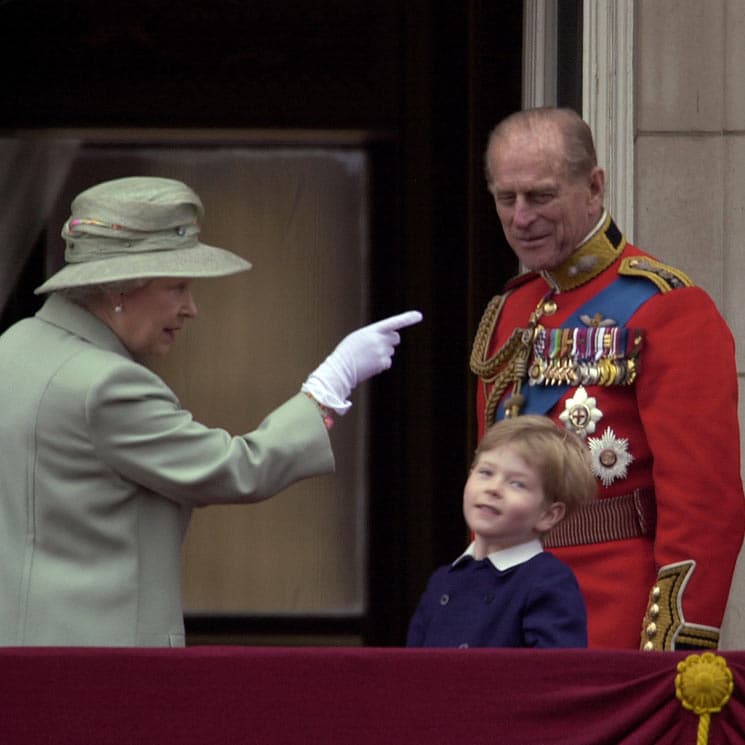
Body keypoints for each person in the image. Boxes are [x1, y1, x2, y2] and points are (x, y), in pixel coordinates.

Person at [0, 175, 422, 647]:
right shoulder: (106, 385)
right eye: (177, 287)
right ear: (119, 287)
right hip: (99, 664)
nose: (191, 308)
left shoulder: (13, 347)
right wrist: (328, 387)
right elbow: (238, 469)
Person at [469, 106, 745, 650]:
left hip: (608, 626)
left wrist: (671, 648)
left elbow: (705, 506)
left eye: (541, 196)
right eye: (507, 199)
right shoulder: (511, 310)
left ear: (594, 186)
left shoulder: (666, 308)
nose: (521, 218)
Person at [406, 415, 595, 648]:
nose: (493, 488)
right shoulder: (442, 580)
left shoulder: (548, 581)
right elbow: (411, 671)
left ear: (548, 515)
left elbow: (556, 677)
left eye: (517, 483)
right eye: (485, 473)